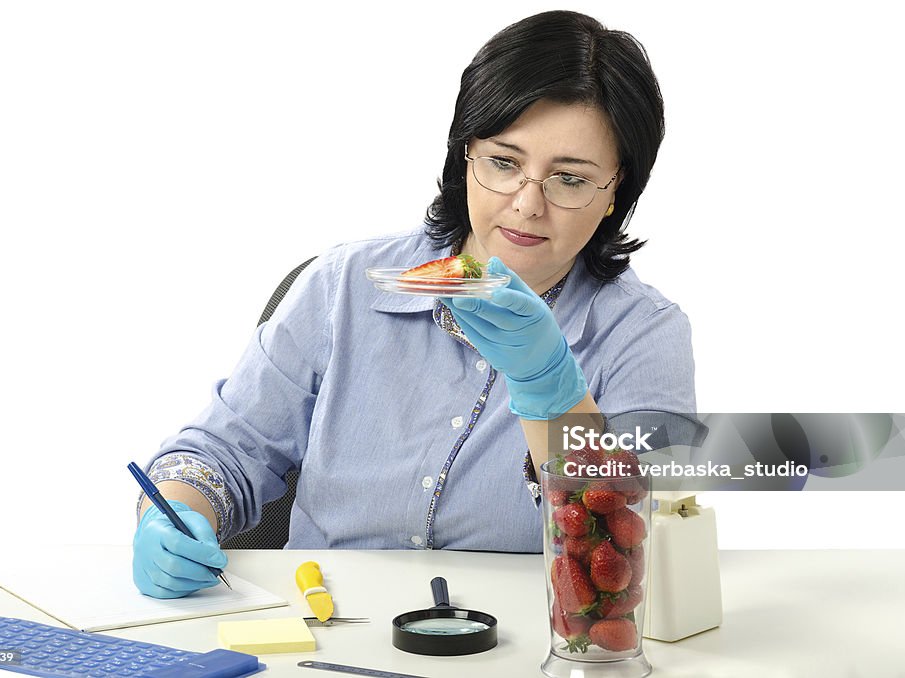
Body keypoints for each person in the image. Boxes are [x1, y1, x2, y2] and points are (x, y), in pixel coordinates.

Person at [132, 9, 695, 599]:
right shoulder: (343, 286)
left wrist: (552, 390)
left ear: (616, 192)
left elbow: (626, 550)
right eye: (504, 162)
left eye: (571, 179)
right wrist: (169, 515)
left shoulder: (646, 334)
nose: (528, 203)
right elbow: (222, 450)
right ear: (465, 155)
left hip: (517, 644)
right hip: (323, 627)